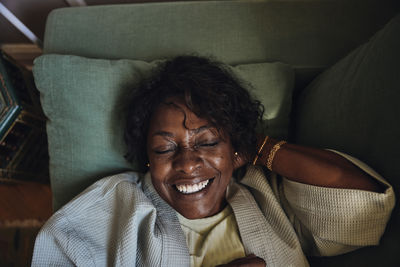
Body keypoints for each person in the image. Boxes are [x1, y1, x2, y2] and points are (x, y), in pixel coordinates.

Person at [32, 55, 395, 267]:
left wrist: (256, 148)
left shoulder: (268, 199)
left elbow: (361, 203)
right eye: (164, 149)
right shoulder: (116, 208)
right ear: (146, 158)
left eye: (206, 142)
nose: (188, 164)